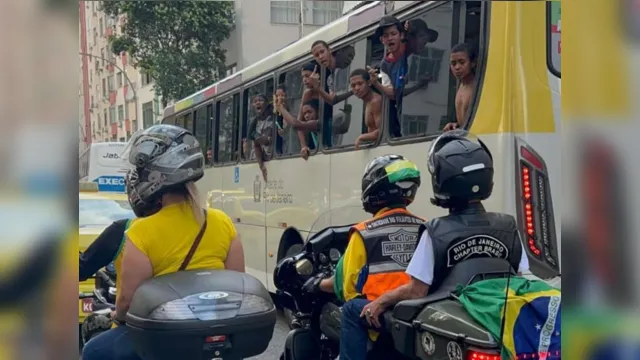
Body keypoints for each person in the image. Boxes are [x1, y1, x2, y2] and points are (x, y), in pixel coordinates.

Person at [81, 125, 245, 360]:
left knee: (93, 352)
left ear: (155, 175)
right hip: (213, 337)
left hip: (162, 339)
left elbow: (127, 303)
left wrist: (116, 315)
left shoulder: (141, 231)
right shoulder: (222, 222)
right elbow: (237, 284)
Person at [358, 130, 530, 329]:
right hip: (500, 322)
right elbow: (519, 279)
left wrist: (380, 301)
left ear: (442, 181)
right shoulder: (508, 226)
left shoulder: (436, 231)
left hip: (450, 325)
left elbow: (417, 291)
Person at [303, 154, 424, 360]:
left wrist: (316, 283)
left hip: (379, 318)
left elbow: (345, 286)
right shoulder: (425, 226)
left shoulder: (364, 232)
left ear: (374, 189)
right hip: (416, 316)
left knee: (350, 309)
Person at [367, 16, 436, 138]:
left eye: (393, 34)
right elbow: (393, 93)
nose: (390, 38)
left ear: (402, 35)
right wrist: (376, 83)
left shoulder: (413, 52)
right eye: (386, 36)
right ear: (382, 40)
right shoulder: (385, 65)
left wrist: (409, 24)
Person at [275, 84, 319, 160]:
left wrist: (281, 108)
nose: (280, 99)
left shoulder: (298, 111)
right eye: (277, 96)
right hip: (288, 156)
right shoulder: (278, 117)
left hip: (301, 155)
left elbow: (296, 124)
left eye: (282, 95)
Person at [443, 43, 478, 131]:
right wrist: (455, 125)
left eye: (462, 62)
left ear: (473, 63)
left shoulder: (478, 87)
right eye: (453, 64)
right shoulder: (458, 86)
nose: (457, 67)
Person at [349, 69, 383, 149]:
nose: (357, 88)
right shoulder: (368, 102)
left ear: (369, 83)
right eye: (353, 86)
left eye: (360, 83)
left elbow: (382, 131)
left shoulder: (376, 101)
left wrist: (362, 137)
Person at [246, 94, 275, 180]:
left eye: (261, 100)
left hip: (271, 157)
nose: (258, 103)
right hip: (258, 160)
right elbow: (255, 142)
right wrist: (261, 165)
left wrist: (264, 140)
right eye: (255, 101)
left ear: (267, 103)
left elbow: (268, 140)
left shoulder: (273, 118)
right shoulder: (254, 122)